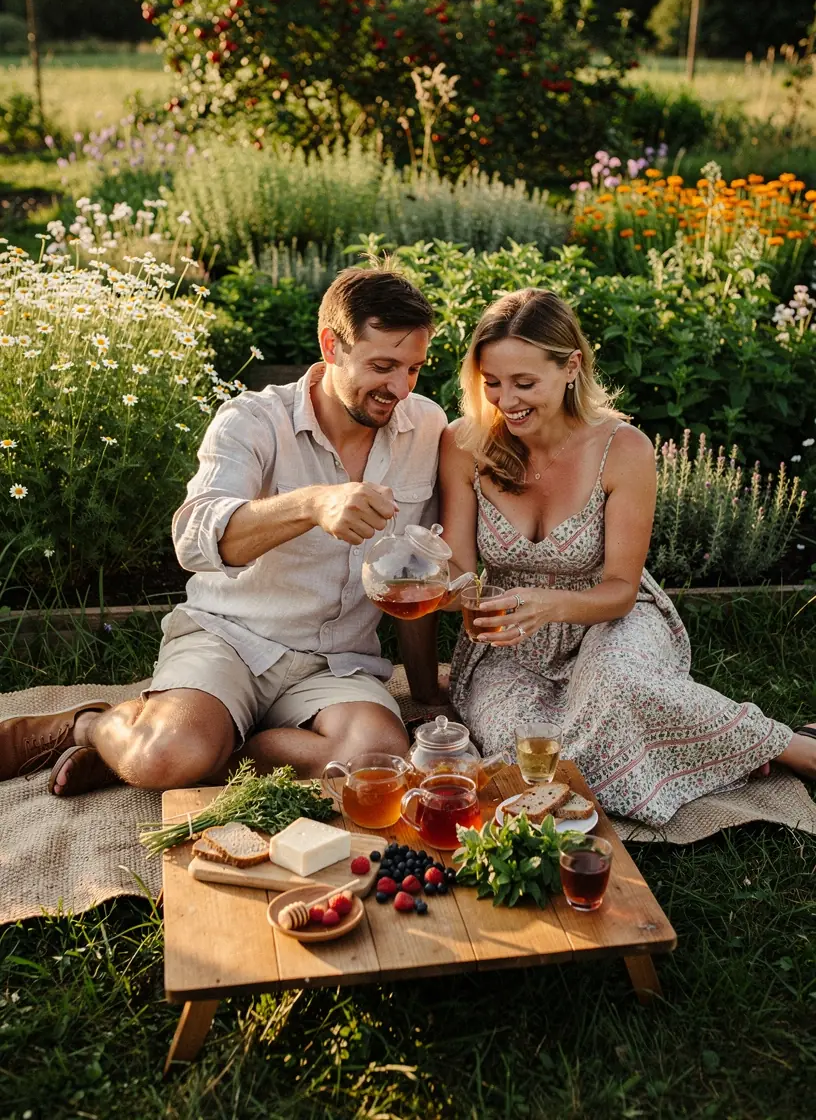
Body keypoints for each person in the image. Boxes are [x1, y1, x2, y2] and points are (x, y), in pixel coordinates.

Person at [2, 267, 448, 796]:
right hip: (230, 640)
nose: (400, 387)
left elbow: (415, 575)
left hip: (337, 666)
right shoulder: (252, 420)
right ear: (332, 345)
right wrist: (312, 504)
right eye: (383, 366)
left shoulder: (426, 426)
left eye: (414, 369)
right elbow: (194, 540)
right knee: (167, 754)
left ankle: (198, 750)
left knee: (375, 761)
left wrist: (425, 690)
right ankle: (92, 727)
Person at [439, 288, 816, 828]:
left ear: (571, 367)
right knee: (527, 749)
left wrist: (550, 604)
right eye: (491, 382)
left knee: (620, 688)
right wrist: (441, 590)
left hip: (610, 617)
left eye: (524, 382)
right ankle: (706, 748)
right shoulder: (464, 444)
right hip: (511, 642)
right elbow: (458, 574)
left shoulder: (624, 448)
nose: (505, 400)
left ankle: (790, 748)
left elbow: (620, 588)